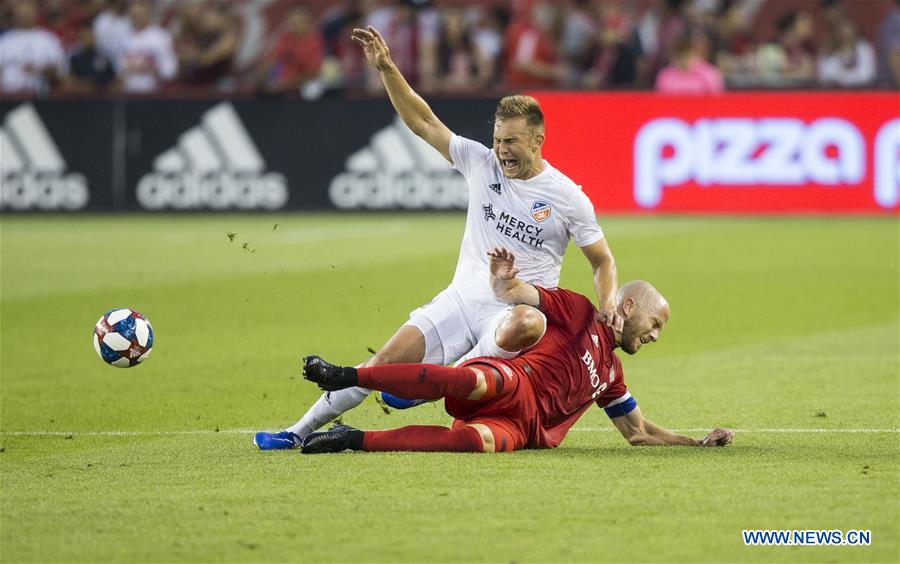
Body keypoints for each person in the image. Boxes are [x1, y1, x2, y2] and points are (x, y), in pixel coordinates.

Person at [253, 25, 619, 450]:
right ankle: (297, 431)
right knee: (383, 361)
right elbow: (423, 121)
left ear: (538, 140)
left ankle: (432, 386)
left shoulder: (567, 197)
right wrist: (388, 69)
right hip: (463, 299)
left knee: (528, 321)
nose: (501, 150)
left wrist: (608, 303)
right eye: (497, 139)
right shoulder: (481, 164)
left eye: (512, 142)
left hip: (512, 316)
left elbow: (602, 261)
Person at [298, 246, 733, 454]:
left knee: (472, 443)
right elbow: (517, 293)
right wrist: (504, 277)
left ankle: (352, 439)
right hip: (510, 385)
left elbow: (638, 432)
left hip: (524, 432)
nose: (656, 336)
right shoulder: (578, 310)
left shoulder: (612, 377)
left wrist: (696, 442)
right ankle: (347, 376)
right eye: (655, 324)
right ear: (629, 306)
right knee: (472, 377)